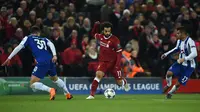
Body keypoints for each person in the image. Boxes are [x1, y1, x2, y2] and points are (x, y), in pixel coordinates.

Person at [1, 26, 73, 100]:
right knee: (55, 78)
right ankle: (68, 93)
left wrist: (9, 58)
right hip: (50, 60)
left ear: (31, 32)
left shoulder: (28, 38)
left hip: (42, 61)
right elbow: (51, 44)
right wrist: (54, 55)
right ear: (38, 33)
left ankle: (51, 90)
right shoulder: (44, 39)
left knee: (32, 83)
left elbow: (18, 47)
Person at [86, 21, 130, 100]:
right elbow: (93, 34)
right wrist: (96, 26)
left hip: (113, 63)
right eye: (106, 31)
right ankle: (92, 95)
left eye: (109, 31)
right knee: (98, 75)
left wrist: (117, 64)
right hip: (103, 62)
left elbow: (119, 53)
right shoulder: (100, 37)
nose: (107, 33)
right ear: (103, 30)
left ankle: (125, 82)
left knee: (119, 83)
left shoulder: (115, 40)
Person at [161, 26, 197, 99]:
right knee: (169, 73)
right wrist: (166, 54)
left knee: (178, 83)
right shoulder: (179, 41)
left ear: (183, 34)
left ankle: (170, 93)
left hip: (189, 66)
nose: (176, 35)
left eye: (178, 33)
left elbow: (195, 53)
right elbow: (176, 48)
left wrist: (184, 58)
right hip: (180, 63)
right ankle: (168, 84)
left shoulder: (190, 41)